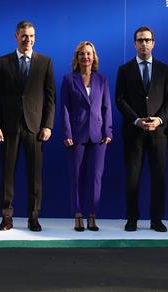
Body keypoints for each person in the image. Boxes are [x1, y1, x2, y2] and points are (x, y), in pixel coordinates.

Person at [0, 20, 56, 232]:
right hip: (8, 128)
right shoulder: (3, 62)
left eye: (31, 36)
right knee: (7, 174)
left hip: (35, 128)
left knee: (35, 175)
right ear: (16, 36)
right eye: (24, 36)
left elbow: (50, 99)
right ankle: (6, 216)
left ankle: (33, 216)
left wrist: (48, 125)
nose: (28, 40)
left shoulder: (45, 62)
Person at [115, 26, 168, 232]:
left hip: (159, 133)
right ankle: (132, 219)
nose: (144, 44)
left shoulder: (164, 69)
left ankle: (156, 219)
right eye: (140, 40)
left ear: (153, 43)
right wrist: (136, 120)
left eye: (147, 40)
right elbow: (120, 100)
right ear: (135, 44)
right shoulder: (124, 70)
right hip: (134, 132)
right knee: (133, 178)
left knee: (158, 177)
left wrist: (159, 119)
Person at [61, 41, 112, 232]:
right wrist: (66, 132)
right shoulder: (68, 80)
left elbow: (106, 107)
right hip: (76, 135)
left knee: (95, 177)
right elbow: (64, 108)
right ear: (77, 58)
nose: (86, 57)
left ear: (94, 57)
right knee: (77, 177)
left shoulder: (102, 80)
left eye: (89, 54)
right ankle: (78, 215)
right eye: (82, 54)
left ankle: (92, 215)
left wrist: (108, 130)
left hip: (99, 136)